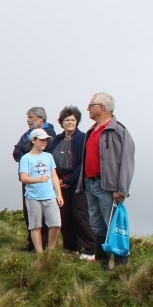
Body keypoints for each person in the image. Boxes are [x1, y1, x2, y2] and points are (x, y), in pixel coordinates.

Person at [77, 92, 135, 270]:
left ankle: (120, 268)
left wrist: (121, 189)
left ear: (101, 107)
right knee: (97, 226)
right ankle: (102, 265)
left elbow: (127, 162)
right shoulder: (91, 130)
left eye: (91, 105)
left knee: (114, 226)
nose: (88, 109)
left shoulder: (118, 131)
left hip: (108, 187)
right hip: (90, 184)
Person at [52, 106, 96, 258]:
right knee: (65, 216)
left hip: (78, 184)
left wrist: (68, 180)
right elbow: (51, 161)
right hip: (60, 183)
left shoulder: (82, 138)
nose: (70, 122)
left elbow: (82, 164)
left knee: (80, 215)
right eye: (67, 120)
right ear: (61, 123)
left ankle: (89, 249)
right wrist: (58, 180)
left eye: (73, 120)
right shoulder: (56, 140)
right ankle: (70, 248)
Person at [13, 107, 57, 250]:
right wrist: (26, 148)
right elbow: (16, 153)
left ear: (41, 119)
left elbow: (25, 148)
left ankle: (44, 244)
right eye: (28, 117)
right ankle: (33, 244)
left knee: (48, 217)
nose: (28, 120)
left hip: (44, 181)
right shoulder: (27, 134)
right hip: (27, 178)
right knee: (30, 213)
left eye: (31, 117)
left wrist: (25, 147)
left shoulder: (49, 133)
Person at [19, 128, 64, 252]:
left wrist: (59, 194)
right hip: (33, 197)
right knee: (35, 226)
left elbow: (54, 176)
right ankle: (40, 254)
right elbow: (23, 178)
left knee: (56, 224)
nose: (44, 142)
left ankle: (50, 251)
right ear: (33, 140)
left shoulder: (48, 156)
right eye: (41, 140)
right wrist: (39, 179)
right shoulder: (26, 158)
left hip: (50, 196)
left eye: (46, 140)